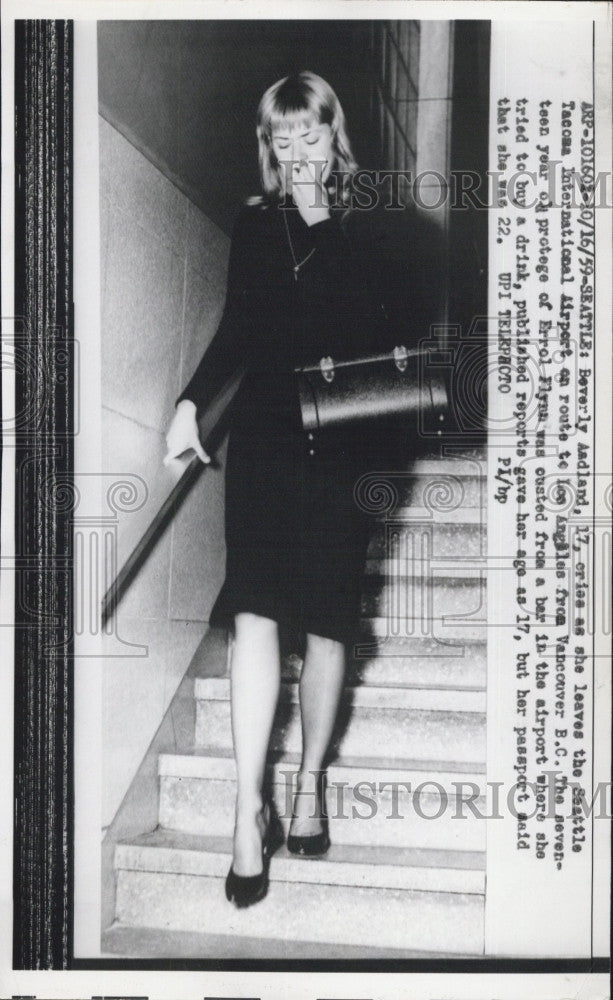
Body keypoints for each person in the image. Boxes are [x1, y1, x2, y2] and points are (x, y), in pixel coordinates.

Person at [164, 70, 394, 908]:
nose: (297, 150)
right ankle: (244, 808)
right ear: (269, 145)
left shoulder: (374, 229)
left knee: (329, 623)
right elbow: (236, 331)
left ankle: (307, 786)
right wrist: (189, 404)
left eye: (310, 133)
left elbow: (386, 341)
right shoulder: (253, 226)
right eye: (281, 137)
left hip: (341, 442)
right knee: (254, 608)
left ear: (335, 137)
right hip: (263, 435)